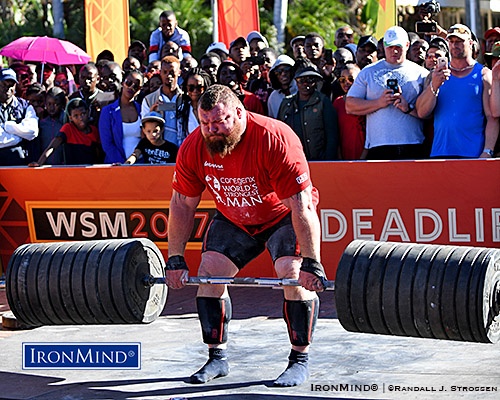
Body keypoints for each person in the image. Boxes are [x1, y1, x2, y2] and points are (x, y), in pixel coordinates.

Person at [164, 83, 326, 387]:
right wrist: (174, 258)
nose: (212, 130)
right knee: (210, 273)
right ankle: (217, 358)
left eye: (219, 122)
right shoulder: (193, 146)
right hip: (234, 216)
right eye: (205, 124)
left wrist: (311, 262)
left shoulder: (274, 138)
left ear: (239, 113)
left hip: (281, 215)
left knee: (291, 273)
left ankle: (299, 359)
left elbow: (301, 205)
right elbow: (182, 203)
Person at [416, 24, 499, 158]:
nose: (455, 45)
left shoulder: (484, 75)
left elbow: (492, 117)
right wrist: (434, 86)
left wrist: (487, 151)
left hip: (473, 154)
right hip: (440, 153)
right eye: (451, 41)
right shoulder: (436, 74)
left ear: (470, 43)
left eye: (460, 41)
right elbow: (421, 112)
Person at [346, 26, 429, 160]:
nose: (394, 51)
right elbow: (350, 105)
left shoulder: (422, 74)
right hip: (378, 146)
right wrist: (379, 103)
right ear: (383, 46)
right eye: (390, 47)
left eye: (399, 46)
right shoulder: (368, 72)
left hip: (413, 144)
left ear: (407, 45)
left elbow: (430, 113)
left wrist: (408, 108)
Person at [277, 66, 338, 160]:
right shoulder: (287, 103)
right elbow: (280, 133)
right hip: (295, 159)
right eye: (301, 80)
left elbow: (332, 134)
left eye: (310, 80)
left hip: (320, 159)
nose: (306, 84)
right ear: (296, 82)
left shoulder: (322, 101)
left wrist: (328, 159)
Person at [31, 98, 102, 166]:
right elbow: (52, 146)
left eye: (83, 114)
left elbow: (99, 152)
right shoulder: (68, 128)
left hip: (91, 171)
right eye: (76, 116)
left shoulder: (94, 130)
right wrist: (39, 162)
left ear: (88, 112)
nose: (80, 118)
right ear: (70, 117)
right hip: (72, 172)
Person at [99, 70, 144, 164]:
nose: (131, 87)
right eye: (128, 82)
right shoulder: (108, 111)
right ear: (123, 83)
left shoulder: (142, 110)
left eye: (135, 86)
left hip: (140, 164)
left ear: (139, 90)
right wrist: (123, 165)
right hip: (115, 165)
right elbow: (107, 144)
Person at [0, 68, 39, 165]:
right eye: (4, 84)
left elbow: (32, 132)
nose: (8, 89)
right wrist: (20, 136)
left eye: (11, 85)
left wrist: (6, 126)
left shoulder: (25, 106)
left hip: (19, 161)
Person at [141, 55, 183, 147]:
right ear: (160, 73)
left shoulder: (185, 99)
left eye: (172, 72)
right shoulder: (149, 100)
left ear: (179, 72)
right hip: (160, 153)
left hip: (182, 149)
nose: (168, 75)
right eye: (165, 72)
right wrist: (152, 114)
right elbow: (144, 130)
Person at [333, 64, 366, 159]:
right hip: (344, 156)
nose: (346, 83)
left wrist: (363, 158)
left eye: (351, 79)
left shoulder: (367, 101)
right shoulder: (337, 103)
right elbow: (335, 133)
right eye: (342, 80)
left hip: (367, 156)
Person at [69, 63, 114, 127]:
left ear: (98, 79)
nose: (86, 81)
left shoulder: (105, 98)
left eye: (90, 78)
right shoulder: (72, 98)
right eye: (83, 78)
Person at [177, 68, 213, 144]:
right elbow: (181, 138)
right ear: (186, 88)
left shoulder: (213, 109)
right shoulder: (183, 110)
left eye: (199, 87)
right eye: (191, 88)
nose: (195, 91)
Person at [35, 86, 67, 165]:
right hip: (45, 166)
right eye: (49, 104)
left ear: (62, 104)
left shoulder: (66, 122)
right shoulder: (42, 122)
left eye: (56, 104)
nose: (52, 108)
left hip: (64, 166)